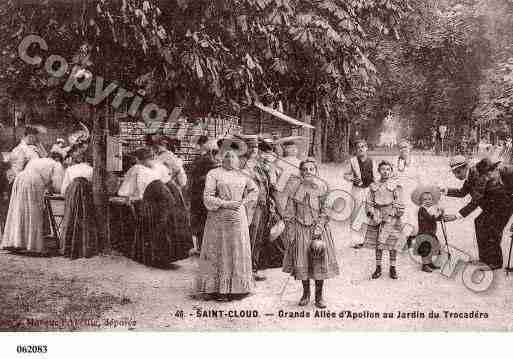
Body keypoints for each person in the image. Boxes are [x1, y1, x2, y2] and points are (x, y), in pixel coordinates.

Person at [195, 145, 258, 302]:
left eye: (233, 156)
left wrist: (243, 202)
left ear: (238, 159)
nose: (230, 159)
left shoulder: (243, 174)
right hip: (218, 217)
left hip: (238, 216)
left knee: (236, 248)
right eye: (227, 156)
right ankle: (215, 289)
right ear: (221, 158)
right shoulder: (214, 173)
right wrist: (225, 203)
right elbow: (208, 196)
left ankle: (239, 288)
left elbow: (254, 190)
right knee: (218, 248)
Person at [118, 148, 192, 268]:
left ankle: (151, 256)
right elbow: (169, 182)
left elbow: (124, 192)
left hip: (153, 200)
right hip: (168, 198)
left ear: (138, 159)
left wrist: (130, 198)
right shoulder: (159, 166)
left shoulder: (136, 168)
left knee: (150, 223)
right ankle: (166, 256)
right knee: (163, 225)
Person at [282, 158, 339, 308]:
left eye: (311, 169)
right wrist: (291, 229)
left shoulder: (323, 187)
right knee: (302, 261)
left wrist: (319, 226)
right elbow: (289, 210)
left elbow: (327, 209)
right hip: (300, 229)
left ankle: (319, 297)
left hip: (318, 230)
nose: (308, 172)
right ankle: (305, 294)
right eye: (305, 169)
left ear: (316, 171)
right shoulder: (295, 189)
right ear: (300, 172)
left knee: (319, 262)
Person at [443, 156, 513, 270]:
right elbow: (462, 192)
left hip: (503, 205)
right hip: (494, 205)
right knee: (479, 222)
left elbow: (475, 201)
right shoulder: (471, 174)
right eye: (454, 173)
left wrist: (456, 216)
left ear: (466, 167)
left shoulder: (479, 175)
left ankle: (495, 263)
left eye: (458, 172)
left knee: (491, 229)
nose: (456, 175)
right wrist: (445, 191)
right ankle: (485, 260)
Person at [2, 152, 64, 255]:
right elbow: (58, 185)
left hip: (20, 178)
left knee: (18, 209)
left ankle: (16, 241)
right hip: (33, 181)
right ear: (58, 159)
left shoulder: (38, 160)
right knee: (33, 212)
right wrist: (51, 189)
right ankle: (31, 244)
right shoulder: (56, 164)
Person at [363, 160, 404, 279]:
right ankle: (378, 267)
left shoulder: (396, 186)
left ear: (391, 171)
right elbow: (369, 202)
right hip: (377, 216)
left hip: (391, 217)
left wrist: (392, 214)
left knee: (392, 243)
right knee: (378, 244)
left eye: (388, 169)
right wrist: (372, 214)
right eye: (383, 169)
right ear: (379, 171)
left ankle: (393, 267)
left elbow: (399, 202)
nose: (385, 172)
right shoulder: (374, 186)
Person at [60, 151, 98, 259]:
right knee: (86, 219)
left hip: (73, 195)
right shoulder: (92, 170)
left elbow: (63, 190)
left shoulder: (70, 169)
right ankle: (85, 248)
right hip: (86, 197)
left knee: (71, 218)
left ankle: (68, 247)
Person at [343, 139, 378, 249]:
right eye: (358, 147)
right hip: (357, 190)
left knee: (368, 213)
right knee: (356, 213)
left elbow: (376, 177)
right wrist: (352, 178)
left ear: (366, 148)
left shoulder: (372, 161)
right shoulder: (353, 161)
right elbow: (345, 175)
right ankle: (356, 240)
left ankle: (367, 239)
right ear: (356, 150)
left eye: (363, 146)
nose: (361, 149)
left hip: (368, 190)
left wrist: (375, 187)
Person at [189, 137, 220, 254]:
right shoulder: (205, 159)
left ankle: (203, 247)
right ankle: (202, 247)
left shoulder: (205, 159)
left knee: (201, 220)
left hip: (200, 193)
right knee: (202, 220)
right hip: (200, 193)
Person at [411, 186, 443, 273]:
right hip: (424, 233)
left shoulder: (431, 209)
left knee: (431, 248)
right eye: (425, 200)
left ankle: (429, 263)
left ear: (433, 201)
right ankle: (425, 265)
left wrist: (440, 214)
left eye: (430, 199)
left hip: (431, 233)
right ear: (420, 202)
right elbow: (430, 218)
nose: (427, 201)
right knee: (425, 249)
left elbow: (434, 217)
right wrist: (437, 215)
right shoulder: (422, 210)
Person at [395, 140, 420, 247]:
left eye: (405, 147)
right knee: (403, 216)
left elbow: (420, 176)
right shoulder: (396, 161)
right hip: (402, 192)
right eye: (401, 148)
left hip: (413, 191)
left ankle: (413, 238)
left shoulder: (415, 161)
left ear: (410, 148)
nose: (403, 149)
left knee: (414, 215)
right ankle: (405, 241)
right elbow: (393, 177)